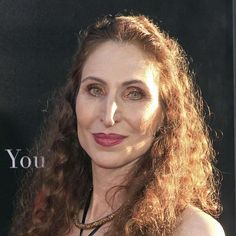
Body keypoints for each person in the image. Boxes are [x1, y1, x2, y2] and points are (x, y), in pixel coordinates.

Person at [10, 14, 225, 236]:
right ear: (74, 100)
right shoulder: (50, 218)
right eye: (95, 89)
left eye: (134, 94)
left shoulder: (192, 230)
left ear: (165, 113)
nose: (108, 116)